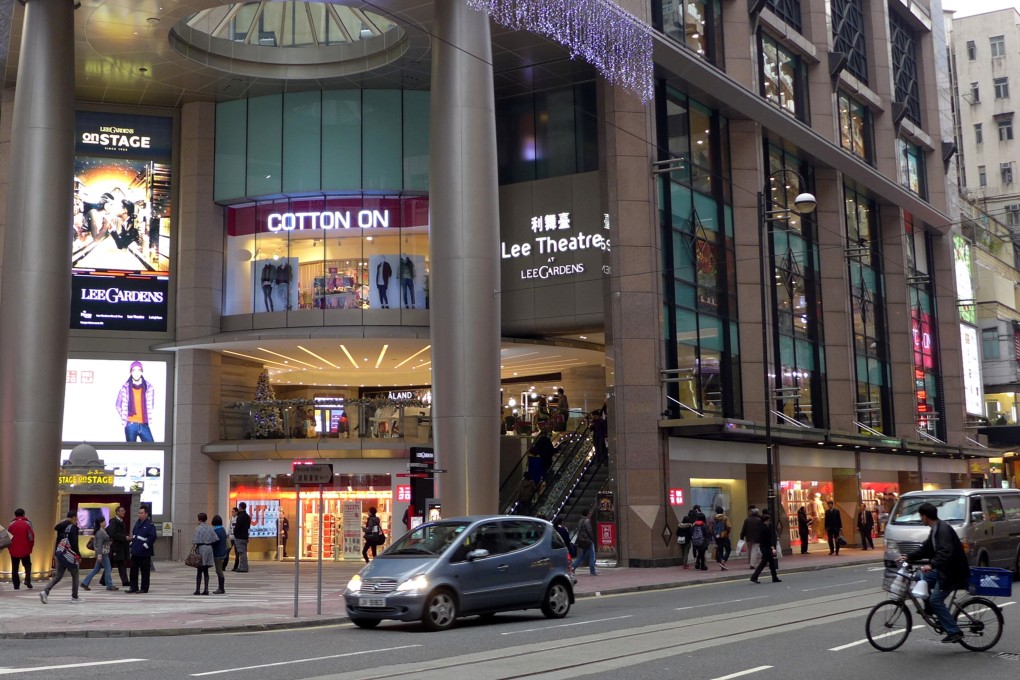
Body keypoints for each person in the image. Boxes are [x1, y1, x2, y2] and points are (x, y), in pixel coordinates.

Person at [902, 502, 971, 644]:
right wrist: (908, 557)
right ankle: (930, 608)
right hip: (944, 570)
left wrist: (931, 564)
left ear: (925, 517)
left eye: (921, 516)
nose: (921, 519)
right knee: (919, 576)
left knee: (936, 600)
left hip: (953, 573)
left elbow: (946, 552)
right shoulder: (935, 529)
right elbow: (925, 549)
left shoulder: (943, 530)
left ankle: (954, 631)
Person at [40, 511, 81, 604]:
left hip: (61, 553)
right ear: (74, 517)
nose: (77, 519)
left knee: (58, 575)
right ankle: (75, 597)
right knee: (75, 575)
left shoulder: (61, 526)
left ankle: (45, 591)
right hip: (70, 555)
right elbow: (74, 543)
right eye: (76, 517)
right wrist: (78, 555)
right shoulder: (73, 528)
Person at [115, 361, 156, 442]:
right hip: (130, 424)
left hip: (144, 423)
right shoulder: (125, 387)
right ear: (130, 372)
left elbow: (151, 405)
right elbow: (118, 405)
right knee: (130, 451)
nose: (136, 373)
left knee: (152, 448)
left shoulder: (149, 387)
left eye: (139, 370)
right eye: (134, 370)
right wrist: (125, 417)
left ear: (142, 372)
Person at [80, 516, 116, 591]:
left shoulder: (101, 531)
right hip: (103, 553)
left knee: (96, 570)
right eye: (104, 521)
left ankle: (85, 582)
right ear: (101, 523)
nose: (105, 523)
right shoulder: (100, 532)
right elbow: (99, 544)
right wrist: (99, 555)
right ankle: (109, 585)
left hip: (101, 553)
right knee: (108, 569)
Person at [127, 506, 157, 593]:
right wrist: (132, 544)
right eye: (139, 513)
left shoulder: (150, 525)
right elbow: (134, 535)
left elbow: (152, 537)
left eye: (141, 513)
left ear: (146, 514)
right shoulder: (137, 523)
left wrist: (144, 546)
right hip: (135, 552)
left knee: (145, 572)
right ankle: (133, 587)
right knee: (133, 571)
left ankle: (144, 588)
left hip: (144, 553)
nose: (139, 515)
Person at [749, 512, 782, 584]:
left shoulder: (760, 527)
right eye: (768, 520)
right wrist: (772, 547)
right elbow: (768, 539)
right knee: (764, 563)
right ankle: (754, 577)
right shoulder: (765, 528)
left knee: (771, 563)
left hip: (763, 546)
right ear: (766, 520)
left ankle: (774, 577)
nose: (769, 521)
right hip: (766, 547)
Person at [7, 508, 35, 590]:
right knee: (27, 565)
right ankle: (27, 580)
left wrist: (9, 547)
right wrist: (30, 547)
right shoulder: (28, 523)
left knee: (14, 567)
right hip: (25, 548)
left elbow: (8, 536)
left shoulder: (11, 523)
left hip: (14, 549)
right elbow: (31, 537)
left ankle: (16, 585)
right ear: (23, 514)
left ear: (15, 515)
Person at [192, 513, 218, 596]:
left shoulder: (198, 529)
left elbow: (195, 541)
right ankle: (206, 589)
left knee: (199, 569)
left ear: (199, 519)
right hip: (209, 548)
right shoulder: (210, 528)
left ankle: (197, 589)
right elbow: (216, 539)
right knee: (206, 570)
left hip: (201, 548)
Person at [107, 505, 131, 587]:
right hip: (116, 547)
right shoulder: (113, 521)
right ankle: (125, 581)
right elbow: (112, 533)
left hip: (121, 547)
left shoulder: (121, 521)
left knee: (118, 564)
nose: (123, 512)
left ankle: (124, 581)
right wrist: (124, 537)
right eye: (122, 511)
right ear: (117, 512)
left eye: (124, 511)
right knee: (112, 564)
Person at [572, 509, 598, 576]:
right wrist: (592, 539)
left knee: (582, 556)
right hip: (588, 540)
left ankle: (573, 567)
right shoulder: (587, 521)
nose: (590, 515)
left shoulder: (580, 520)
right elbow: (589, 531)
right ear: (587, 514)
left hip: (582, 540)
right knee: (592, 556)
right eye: (589, 513)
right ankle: (593, 571)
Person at [211, 514, 229, 594]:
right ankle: (221, 588)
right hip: (223, 552)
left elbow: (214, 542)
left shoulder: (215, 531)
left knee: (219, 570)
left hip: (217, 553)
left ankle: (221, 588)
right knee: (219, 570)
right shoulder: (223, 529)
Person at [233, 502, 251, 573]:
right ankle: (243, 566)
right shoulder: (247, 516)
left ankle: (243, 567)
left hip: (239, 537)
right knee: (243, 552)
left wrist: (235, 531)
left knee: (241, 553)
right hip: (245, 536)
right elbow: (248, 527)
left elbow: (238, 526)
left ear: (240, 507)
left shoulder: (240, 516)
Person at [713, 506, 731, 570]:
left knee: (720, 550)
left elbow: (712, 528)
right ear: (722, 511)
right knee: (728, 549)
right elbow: (728, 526)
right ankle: (723, 561)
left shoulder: (714, 518)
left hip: (717, 536)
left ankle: (722, 564)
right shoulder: (725, 518)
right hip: (724, 536)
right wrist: (727, 533)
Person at [227, 506, 238, 571]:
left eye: (233, 511)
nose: (232, 513)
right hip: (230, 538)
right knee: (227, 551)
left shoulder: (238, 519)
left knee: (237, 553)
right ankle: (224, 565)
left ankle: (235, 566)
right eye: (231, 512)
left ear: (236, 512)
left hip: (236, 538)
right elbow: (228, 528)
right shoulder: (230, 519)